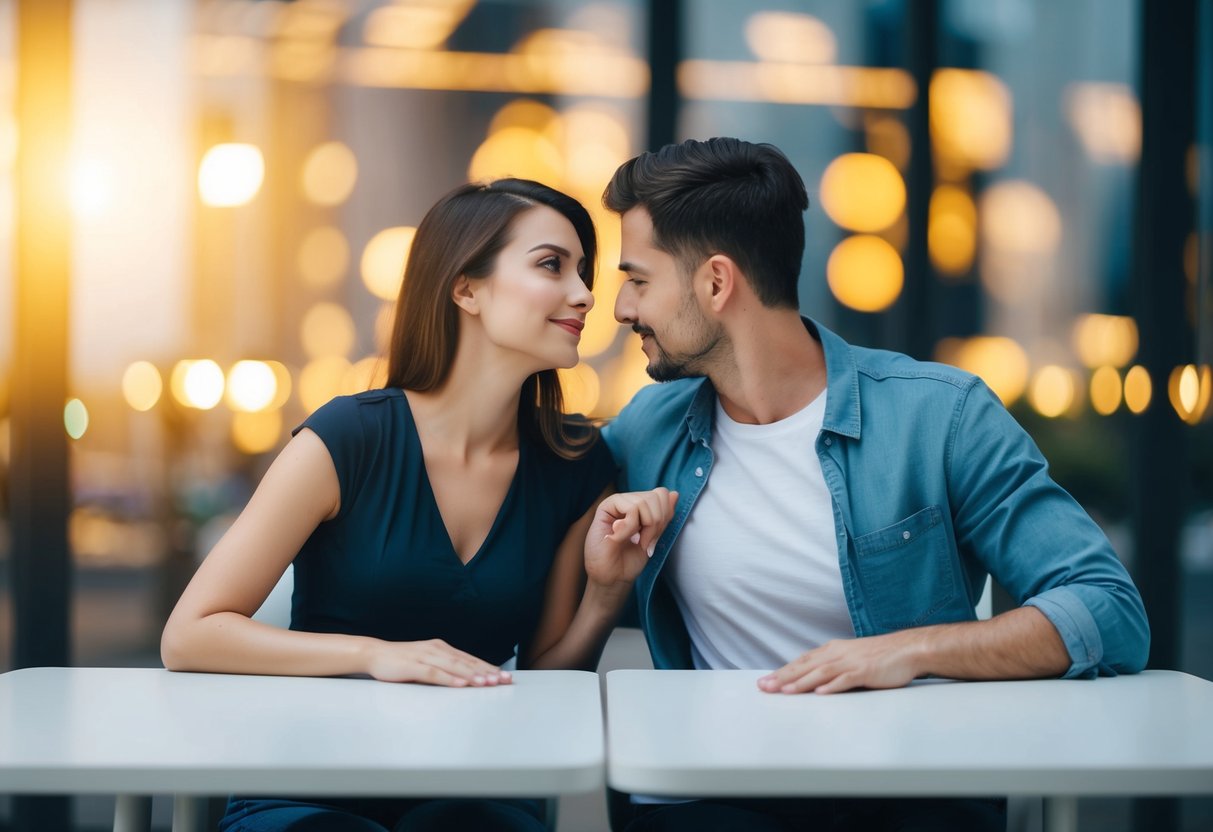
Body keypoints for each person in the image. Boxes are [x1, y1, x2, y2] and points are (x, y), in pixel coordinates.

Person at [598, 138, 1150, 832]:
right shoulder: (646, 431)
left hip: (908, 786)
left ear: (715, 283)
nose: (620, 308)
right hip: (716, 794)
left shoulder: (940, 417)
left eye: (638, 280)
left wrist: (909, 650)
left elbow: (1107, 609)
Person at [161, 178, 676, 832]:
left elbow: (547, 678)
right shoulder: (349, 438)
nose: (584, 294)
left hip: (474, 786)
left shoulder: (576, 463)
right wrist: (376, 654)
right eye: (552, 265)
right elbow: (191, 633)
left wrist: (605, 591)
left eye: (583, 271)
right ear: (465, 288)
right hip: (311, 785)